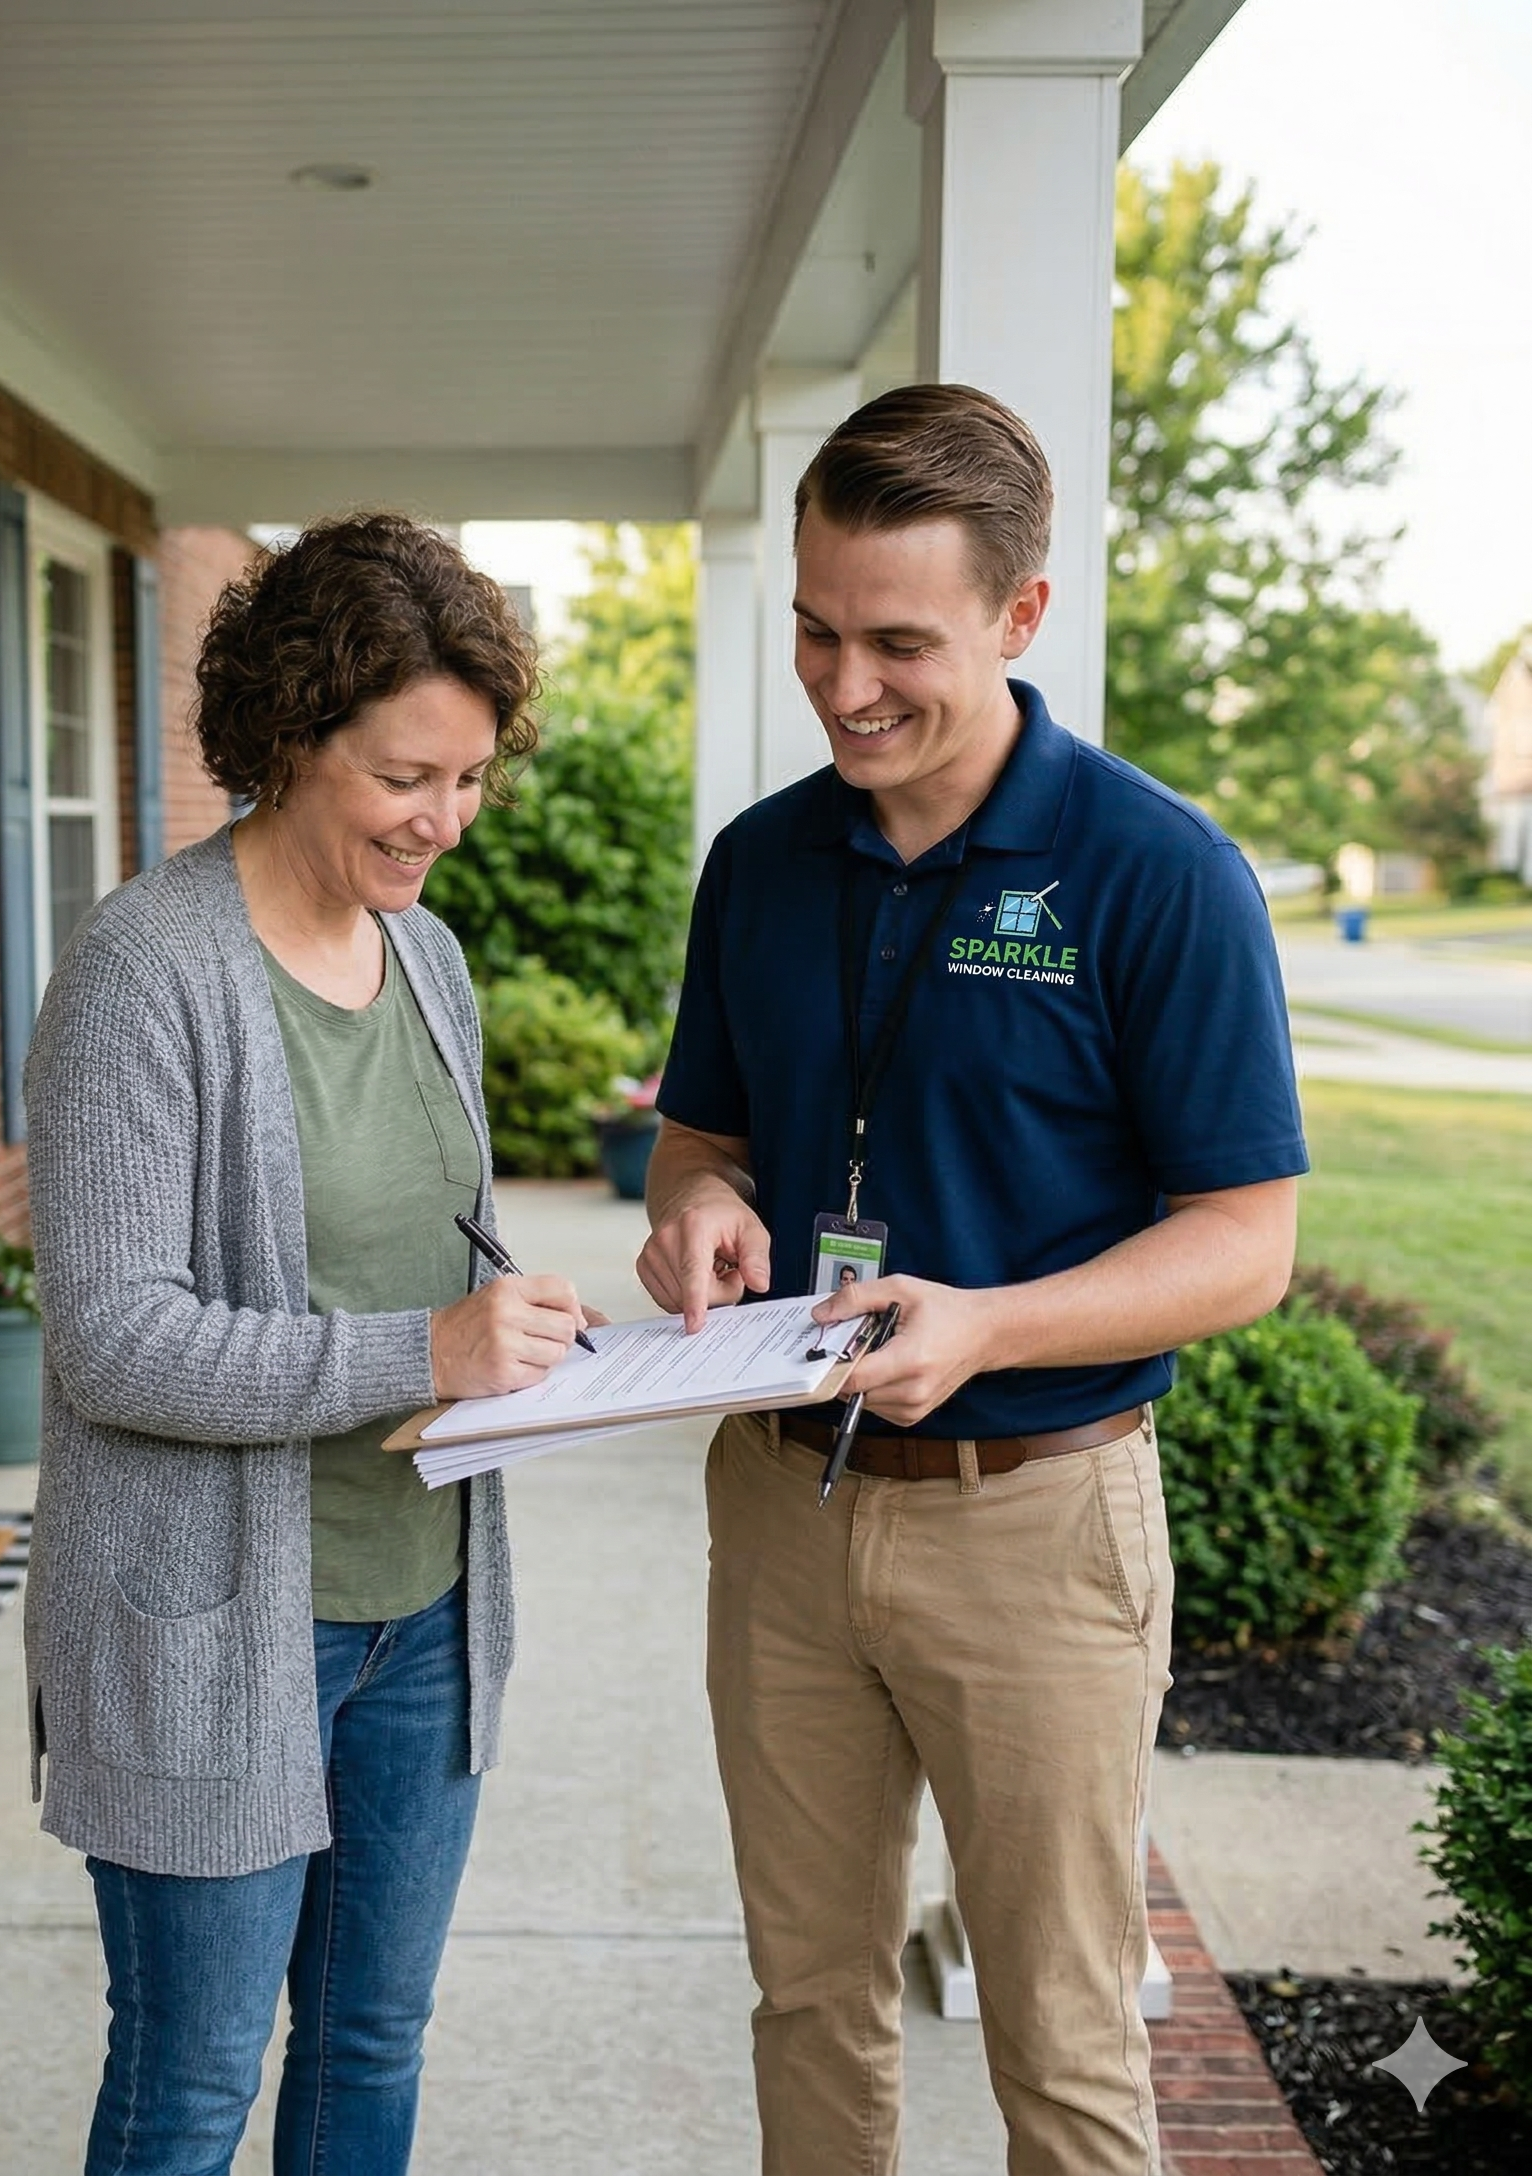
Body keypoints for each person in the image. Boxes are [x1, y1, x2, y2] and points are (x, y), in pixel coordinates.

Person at [638, 384, 1306, 2176]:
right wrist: (695, 1203)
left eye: (898, 643)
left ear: (1021, 616)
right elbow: (700, 1135)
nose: (845, 682)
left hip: (1040, 1521)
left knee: (1063, 2037)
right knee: (808, 1999)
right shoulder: (759, 862)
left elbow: (1249, 1242)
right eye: (815, 628)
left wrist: (990, 1324)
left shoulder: (1159, 875)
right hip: (782, 1502)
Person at [22, 512, 595, 2176]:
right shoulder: (147, 968)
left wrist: (542, 1337)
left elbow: (432, 1246)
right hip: (211, 1633)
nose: (448, 821)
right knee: (192, 2082)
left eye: (474, 778)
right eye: (409, 776)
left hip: (422, 1616)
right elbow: (115, 1340)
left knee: (366, 2045)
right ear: (291, 735)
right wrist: (428, 1349)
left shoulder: (426, 956)